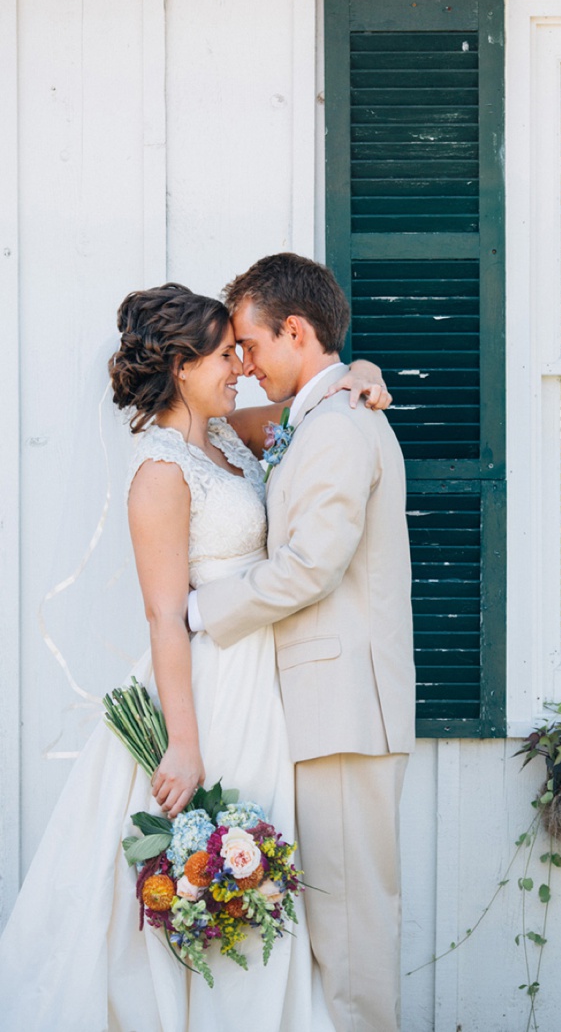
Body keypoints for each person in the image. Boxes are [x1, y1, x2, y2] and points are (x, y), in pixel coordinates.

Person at [0, 282, 389, 1032]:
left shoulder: (231, 436)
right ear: (181, 366)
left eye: (241, 351)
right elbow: (162, 618)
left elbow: (316, 400)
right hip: (209, 688)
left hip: (261, 680)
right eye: (222, 354)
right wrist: (183, 742)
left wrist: (363, 370)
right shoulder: (161, 474)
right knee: (200, 864)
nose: (240, 366)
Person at [189, 253, 416, 1032]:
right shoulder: (318, 416)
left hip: (346, 710)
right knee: (335, 928)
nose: (244, 366)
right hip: (321, 710)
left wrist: (200, 610)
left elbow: (309, 570)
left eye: (249, 344)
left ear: (294, 330)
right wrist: (362, 365)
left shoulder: (339, 427)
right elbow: (207, 423)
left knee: (352, 937)